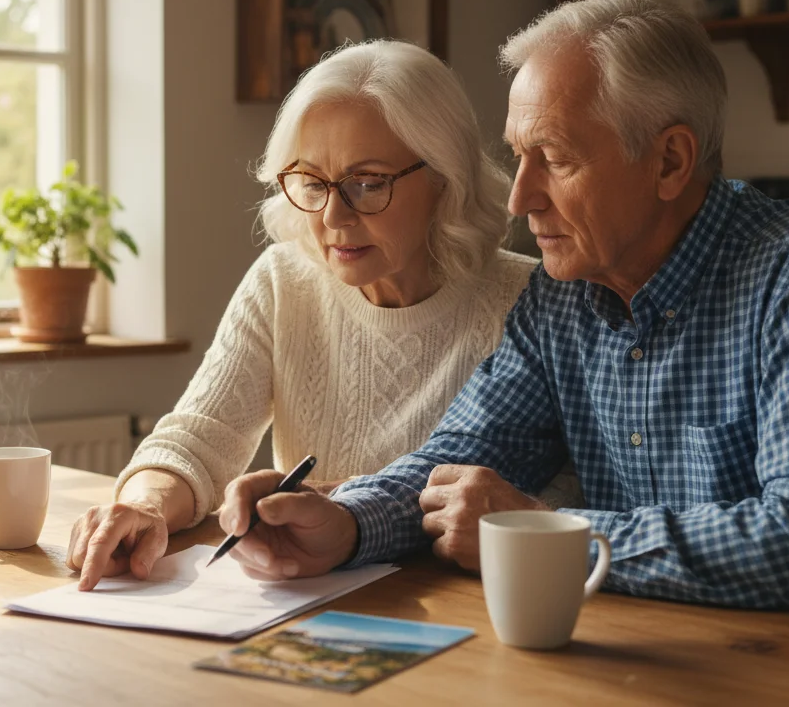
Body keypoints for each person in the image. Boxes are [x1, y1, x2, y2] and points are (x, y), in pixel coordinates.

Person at [216, 0, 789, 629]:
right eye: (519, 156)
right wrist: (342, 525)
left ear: (670, 161)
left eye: (557, 158)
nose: (520, 198)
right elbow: (455, 463)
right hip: (673, 660)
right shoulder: (563, 293)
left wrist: (550, 537)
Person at [68, 40, 581, 590]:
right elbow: (200, 435)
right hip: (313, 599)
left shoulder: (532, 299)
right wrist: (145, 504)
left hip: (461, 605)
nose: (334, 215)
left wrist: (345, 505)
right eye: (313, 182)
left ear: (444, 179)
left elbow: (557, 498)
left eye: (367, 183)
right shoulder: (283, 280)